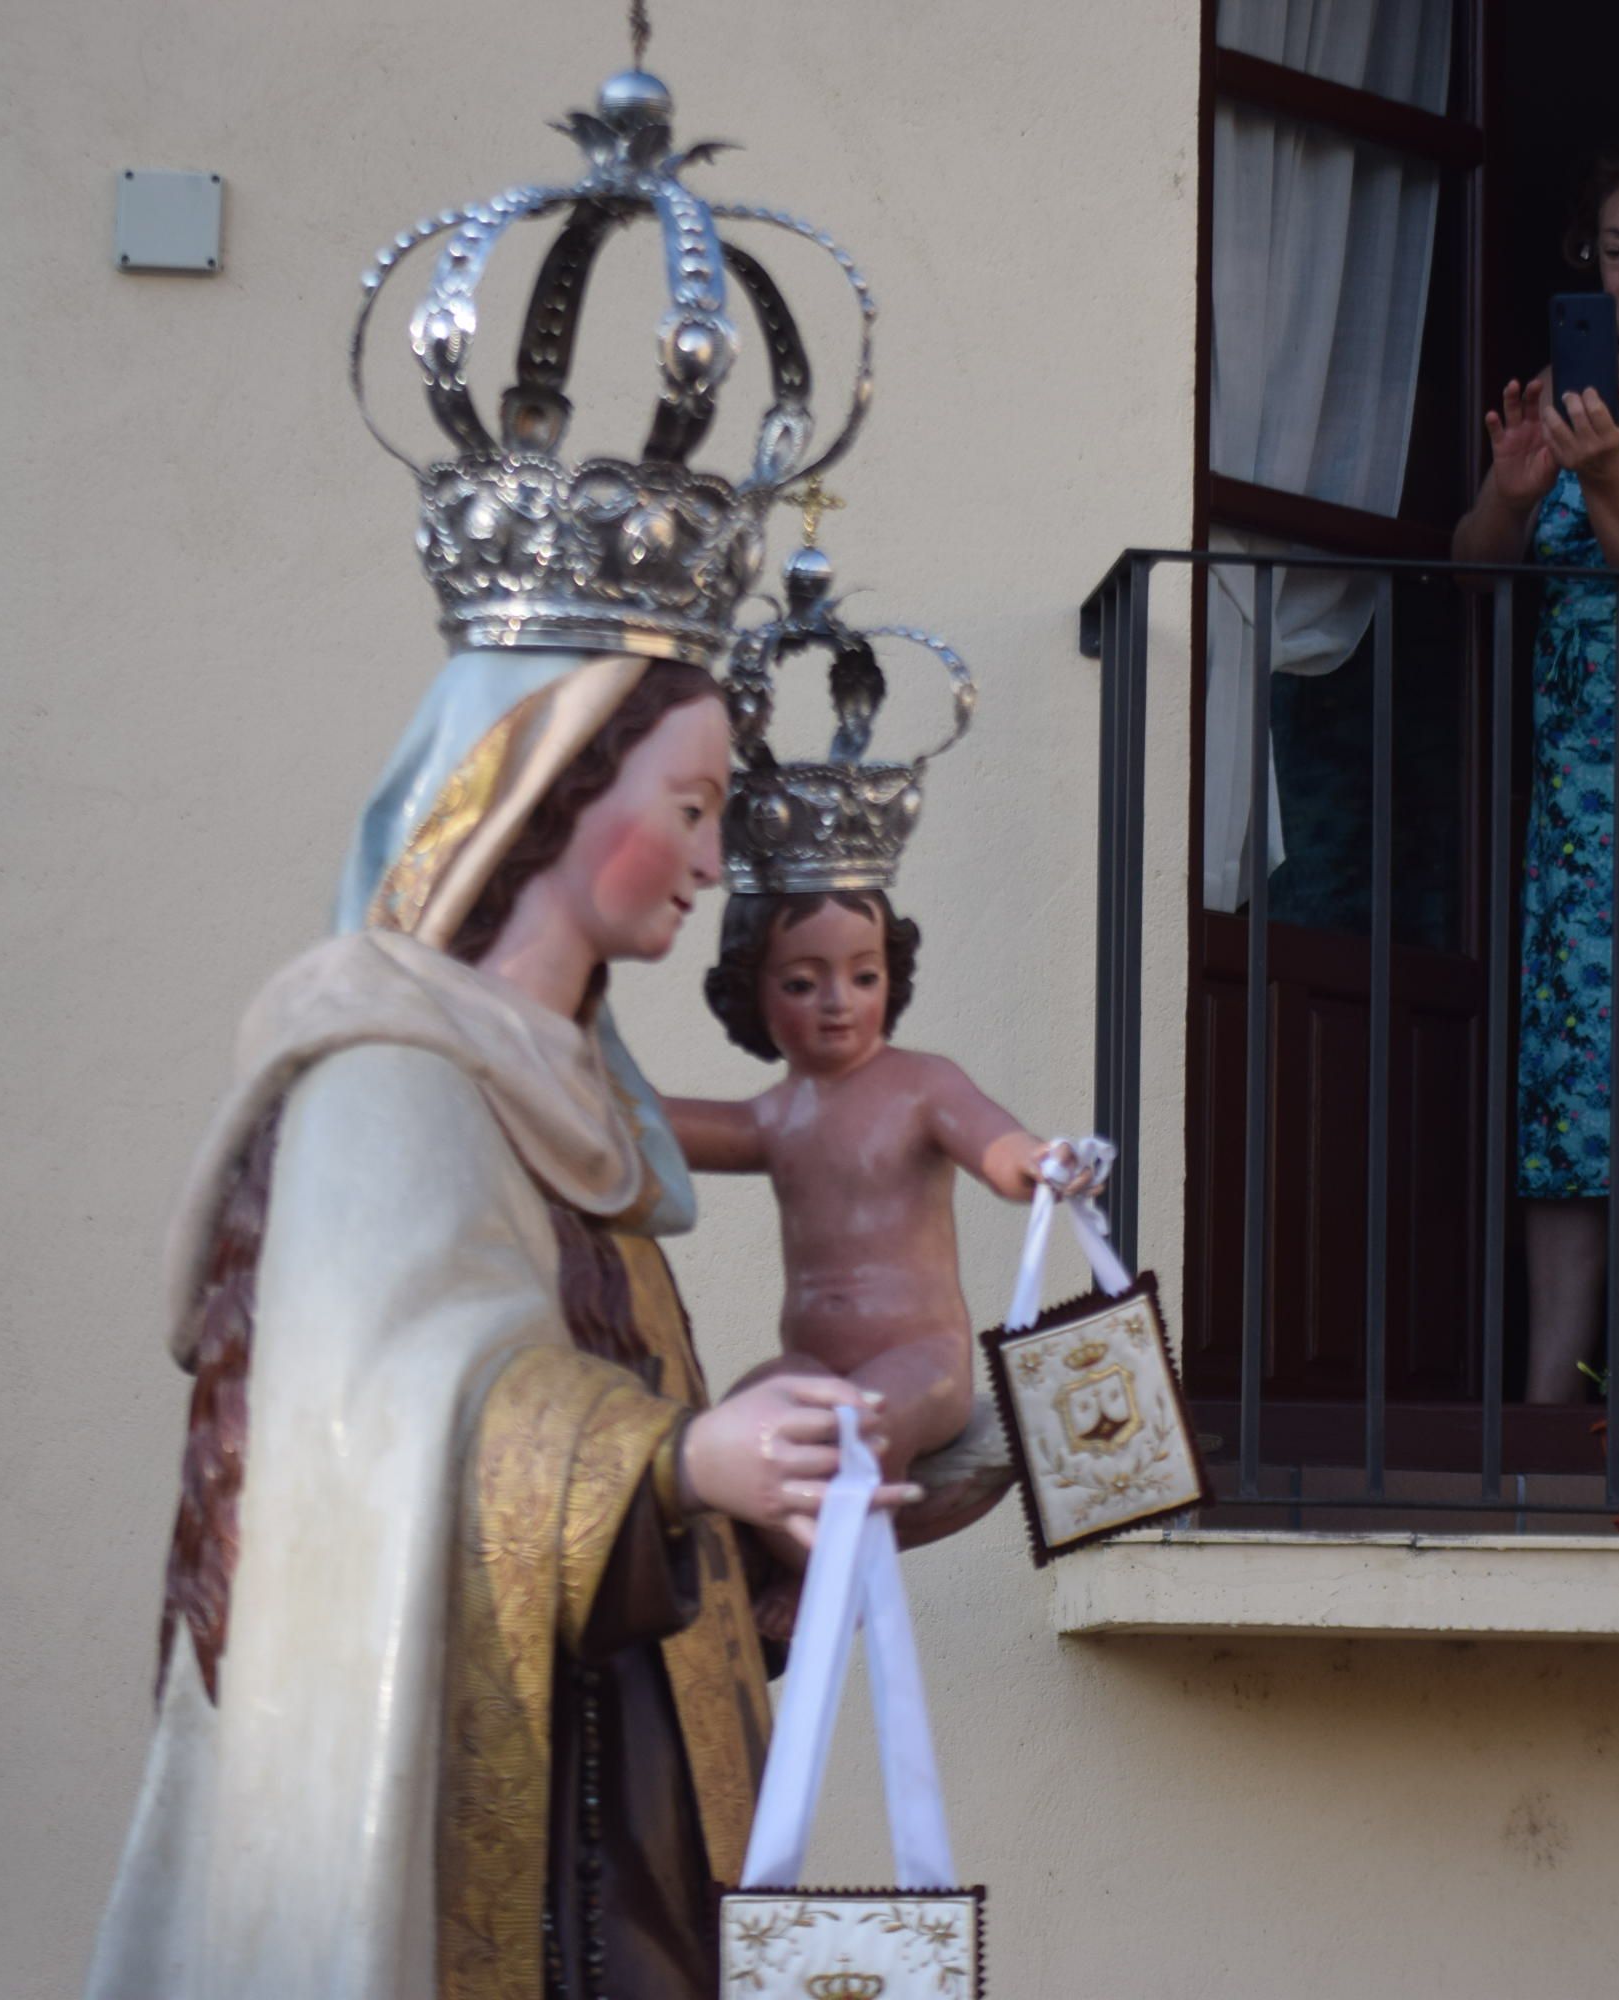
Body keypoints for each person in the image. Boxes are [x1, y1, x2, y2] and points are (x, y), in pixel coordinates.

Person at [86, 654, 918, 2000]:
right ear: (545, 793)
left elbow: (618, 1413)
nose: (713, 865)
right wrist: (679, 1461)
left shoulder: (584, 1112)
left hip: (625, 1773)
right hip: (486, 1801)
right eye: (692, 806)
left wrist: (782, 1489)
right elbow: (388, 1420)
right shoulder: (388, 1078)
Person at [1452, 136, 1619, 1407]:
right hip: (1584, 805)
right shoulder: (1565, 393)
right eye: (1616, 252)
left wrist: (1604, 477)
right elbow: (1477, 565)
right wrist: (1509, 483)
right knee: (1573, 1086)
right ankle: (1551, 1393)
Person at [663, 888, 1094, 1554]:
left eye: (864, 976)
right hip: (814, 1361)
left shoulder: (923, 1086)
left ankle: (834, 1577)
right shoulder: (777, 1116)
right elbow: (664, 1128)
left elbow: (992, 1142)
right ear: (753, 994)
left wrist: (1036, 1160)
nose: (839, 1001)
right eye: (803, 983)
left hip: (923, 1364)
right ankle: (800, 1565)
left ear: (891, 979)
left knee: (860, 1421)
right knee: (747, 1422)